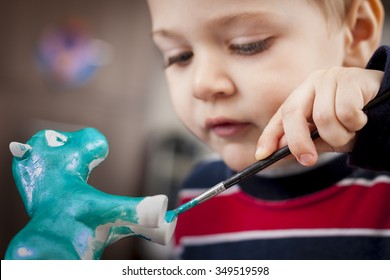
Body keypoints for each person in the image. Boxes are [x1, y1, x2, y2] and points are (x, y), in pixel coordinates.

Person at [147, 0, 390, 259]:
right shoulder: (194, 194)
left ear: (355, 33)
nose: (202, 84)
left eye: (247, 44)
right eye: (179, 56)